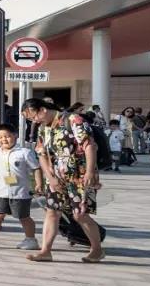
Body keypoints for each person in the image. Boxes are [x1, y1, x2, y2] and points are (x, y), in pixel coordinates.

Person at [22, 98, 104, 264]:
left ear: (43, 109)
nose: (34, 121)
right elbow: (41, 154)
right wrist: (50, 177)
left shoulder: (74, 120)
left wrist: (90, 172)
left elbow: (89, 146)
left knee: (80, 214)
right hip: (56, 177)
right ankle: (45, 251)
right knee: (52, 211)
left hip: (80, 175)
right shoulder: (43, 128)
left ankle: (97, 249)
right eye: (30, 119)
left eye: (34, 116)